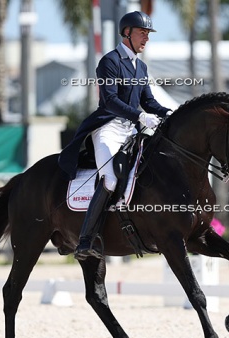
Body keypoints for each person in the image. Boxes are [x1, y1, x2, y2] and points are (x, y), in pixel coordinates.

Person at [58, 11, 172, 261]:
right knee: (109, 179)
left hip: (131, 129)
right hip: (108, 128)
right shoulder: (110, 61)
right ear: (127, 33)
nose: (146, 39)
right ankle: (86, 240)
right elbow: (109, 100)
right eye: (142, 33)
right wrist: (140, 117)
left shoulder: (141, 66)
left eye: (148, 34)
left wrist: (172, 113)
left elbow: (149, 101)